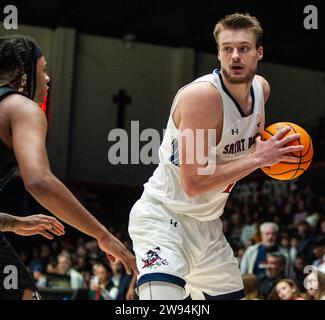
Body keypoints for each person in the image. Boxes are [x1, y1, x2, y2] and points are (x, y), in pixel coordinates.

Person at [128, 13, 303, 300]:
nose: (235, 56)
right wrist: (259, 159)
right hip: (164, 217)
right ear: (219, 53)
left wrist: (271, 158)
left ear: (259, 53)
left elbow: (243, 152)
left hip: (208, 225)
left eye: (244, 48)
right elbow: (194, 183)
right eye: (227, 48)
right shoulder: (202, 97)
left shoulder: (261, 90)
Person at [0, 35, 138, 300]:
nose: (48, 79)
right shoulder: (21, 108)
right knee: (23, 292)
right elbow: (40, 182)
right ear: (23, 73)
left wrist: (14, 223)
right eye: (43, 70)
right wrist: (103, 234)